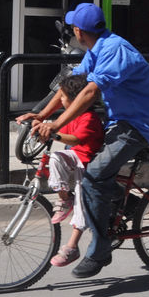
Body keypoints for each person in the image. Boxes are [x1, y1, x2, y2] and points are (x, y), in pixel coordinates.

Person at [18, 3, 149, 279]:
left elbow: (89, 92)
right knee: (82, 162)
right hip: (119, 121)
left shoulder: (114, 50)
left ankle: (100, 250)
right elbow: (70, 85)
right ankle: (125, 202)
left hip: (138, 126)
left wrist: (55, 125)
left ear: (78, 31)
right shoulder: (96, 49)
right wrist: (42, 114)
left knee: (94, 176)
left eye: (73, 28)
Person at [35, 73, 105, 268]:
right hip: (76, 157)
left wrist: (54, 135)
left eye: (64, 98)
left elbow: (74, 140)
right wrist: (42, 126)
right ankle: (65, 198)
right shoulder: (72, 116)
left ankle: (72, 246)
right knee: (56, 158)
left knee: (82, 199)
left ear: (75, 101)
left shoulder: (88, 118)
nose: (62, 101)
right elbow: (60, 132)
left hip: (88, 162)